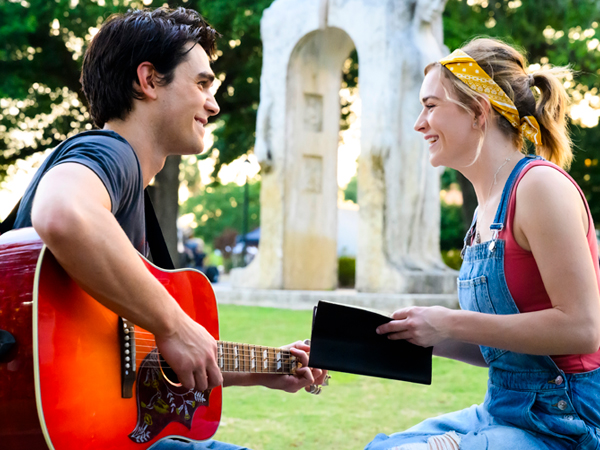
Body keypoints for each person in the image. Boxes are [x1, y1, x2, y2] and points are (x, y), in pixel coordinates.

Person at [11, 7, 326, 450]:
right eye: (201, 84)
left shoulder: (128, 201)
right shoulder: (110, 153)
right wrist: (175, 324)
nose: (214, 105)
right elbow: (63, 212)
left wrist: (270, 368)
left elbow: (141, 358)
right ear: (149, 80)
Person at [366, 38, 600, 450]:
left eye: (431, 105)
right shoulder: (484, 210)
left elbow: (582, 329)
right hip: (505, 409)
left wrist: (448, 321)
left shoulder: (539, 187)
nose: (419, 123)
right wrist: (407, 334)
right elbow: (505, 344)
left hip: (567, 421)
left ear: (478, 111)